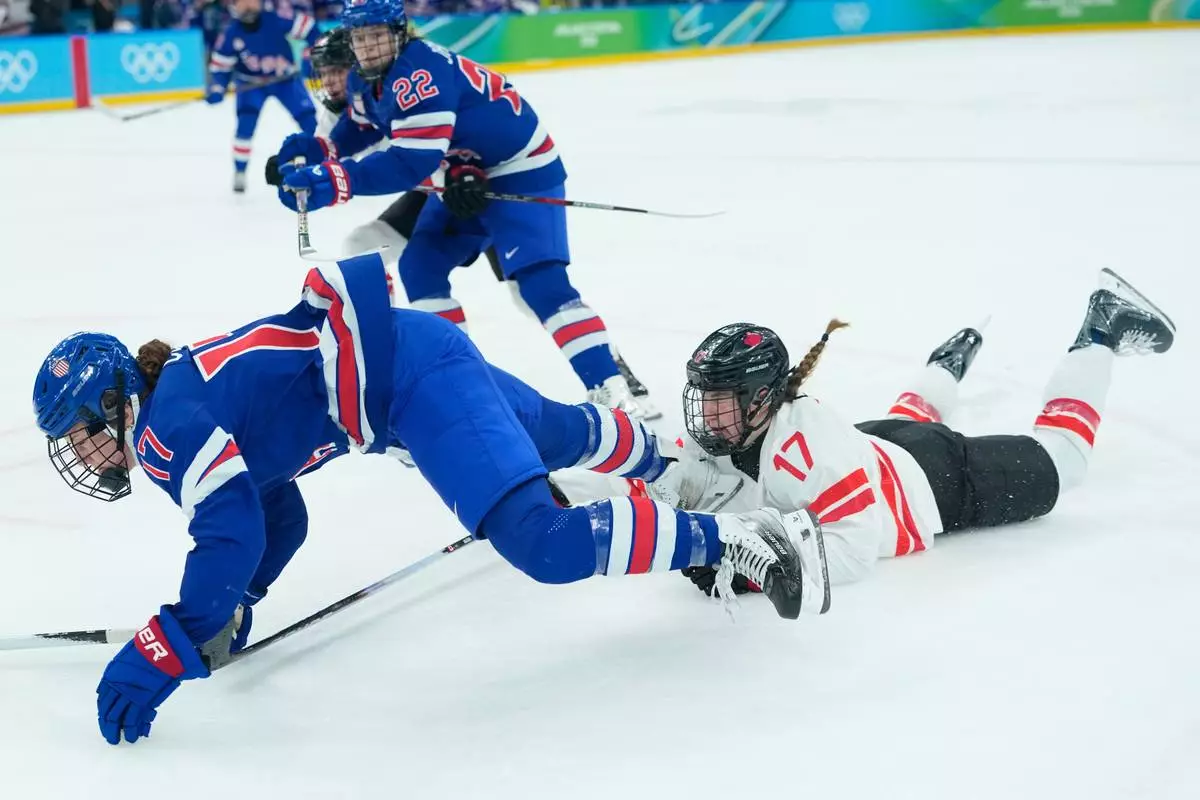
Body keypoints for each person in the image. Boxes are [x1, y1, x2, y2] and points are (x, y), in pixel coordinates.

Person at [31, 252, 830, 747]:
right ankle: (669, 459)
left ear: (110, 404)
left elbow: (232, 533)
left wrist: (171, 641)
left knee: (542, 543)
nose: (79, 454)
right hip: (418, 357)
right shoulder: (172, 401)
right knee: (554, 432)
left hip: (411, 387)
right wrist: (235, 606)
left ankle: (735, 539)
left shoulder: (167, 429)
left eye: (76, 433)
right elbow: (279, 512)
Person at [589, 269, 1173, 600]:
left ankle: (1100, 331)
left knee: (1065, 463)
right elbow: (671, 483)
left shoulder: (807, 450)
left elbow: (852, 546)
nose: (706, 418)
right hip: (877, 445)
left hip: (934, 481)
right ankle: (949, 359)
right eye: (704, 400)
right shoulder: (738, 431)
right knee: (908, 420)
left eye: (722, 402)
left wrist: (749, 571)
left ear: (762, 398)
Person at [268, 0, 657, 418]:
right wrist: (316, 151)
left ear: (399, 32)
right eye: (360, 37)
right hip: (456, 176)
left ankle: (611, 386)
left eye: (377, 34)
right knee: (420, 267)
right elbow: (359, 132)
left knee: (540, 287)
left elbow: (408, 162)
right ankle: (458, 383)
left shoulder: (418, 73)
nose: (368, 46)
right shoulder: (366, 80)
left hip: (516, 171)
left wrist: (332, 181)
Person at [206, 0, 322, 193]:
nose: (248, 5)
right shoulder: (230, 33)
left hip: (285, 80)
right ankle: (240, 172)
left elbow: (311, 29)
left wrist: (310, 54)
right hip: (251, 85)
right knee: (245, 126)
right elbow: (220, 67)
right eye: (242, 2)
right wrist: (218, 87)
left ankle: (327, 162)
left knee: (309, 120)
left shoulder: (277, 20)